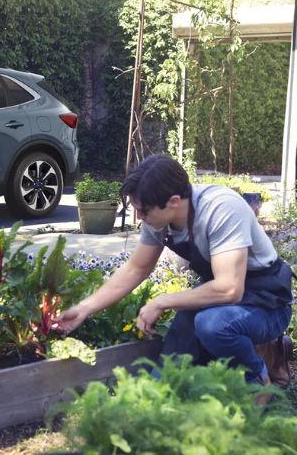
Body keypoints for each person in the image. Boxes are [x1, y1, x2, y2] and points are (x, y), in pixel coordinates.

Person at [54, 155, 295, 388]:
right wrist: (83, 309)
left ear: (174, 201)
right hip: (219, 297)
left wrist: (162, 301)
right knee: (170, 367)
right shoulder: (159, 219)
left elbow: (229, 288)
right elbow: (136, 269)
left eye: (144, 211)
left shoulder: (221, 208)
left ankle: (258, 381)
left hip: (267, 301)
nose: (140, 218)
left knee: (212, 325)